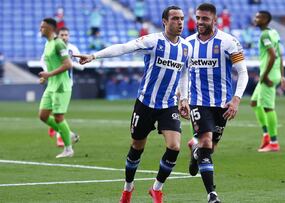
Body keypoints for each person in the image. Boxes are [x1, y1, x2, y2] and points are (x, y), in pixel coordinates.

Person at [73, 6, 191, 203]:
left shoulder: (186, 47)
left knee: (174, 147)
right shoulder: (153, 41)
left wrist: (184, 98)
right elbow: (123, 48)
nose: (180, 22)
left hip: (168, 105)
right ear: (164, 21)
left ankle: (156, 189)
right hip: (145, 103)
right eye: (175, 19)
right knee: (137, 147)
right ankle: (128, 188)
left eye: (181, 19)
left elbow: (185, 73)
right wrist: (94, 56)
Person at [185, 3, 249, 203]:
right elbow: (183, 72)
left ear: (215, 20)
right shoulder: (187, 44)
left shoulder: (229, 42)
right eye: (198, 18)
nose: (200, 22)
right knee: (206, 142)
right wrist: (183, 98)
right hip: (198, 102)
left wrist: (236, 100)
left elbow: (243, 72)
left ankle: (195, 151)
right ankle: (212, 194)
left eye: (205, 19)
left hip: (222, 104)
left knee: (209, 148)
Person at [250, 11, 285, 152]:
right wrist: (282, 75)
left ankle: (274, 142)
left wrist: (265, 76)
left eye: (258, 17)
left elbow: (273, 56)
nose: (255, 19)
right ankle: (266, 135)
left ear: (266, 19)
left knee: (268, 107)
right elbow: (280, 54)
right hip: (273, 73)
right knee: (254, 102)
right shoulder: (274, 32)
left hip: (268, 74)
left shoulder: (265, 35)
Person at [38, 18, 76, 158]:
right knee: (43, 116)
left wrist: (49, 74)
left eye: (43, 27)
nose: (40, 29)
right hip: (51, 85)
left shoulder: (59, 44)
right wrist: (46, 76)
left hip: (61, 86)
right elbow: (51, 65)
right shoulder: (48, 44)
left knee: (59, 117)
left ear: (50, 28)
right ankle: (68, 133)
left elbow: (68, 64)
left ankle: (68, 149)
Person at [47, 27, 83, 147]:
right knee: (50, 112)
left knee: (58, 113)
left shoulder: (72, 49)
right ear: (58, 35)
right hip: (53, 82)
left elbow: (82, 66)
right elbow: (44, 61)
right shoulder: (52, 46)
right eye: (62, 35)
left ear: (69, 36)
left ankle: (61, 137)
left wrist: (69, 62)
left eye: (66, 35)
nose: (64, 37)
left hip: (66, 84)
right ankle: (68, 134)